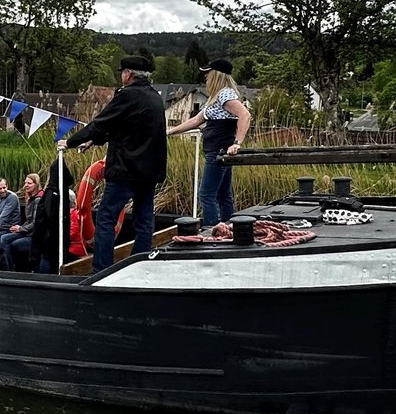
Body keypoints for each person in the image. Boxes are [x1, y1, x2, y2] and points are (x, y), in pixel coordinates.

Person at [60, 54, 168, 271]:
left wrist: (71, 141)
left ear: (128, 74)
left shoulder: (127, 95)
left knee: (106, 219)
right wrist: (95, 141)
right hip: (150, 172)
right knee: (144, 220)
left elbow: (101, 123)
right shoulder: (155, 98)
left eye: (122, 72)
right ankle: (142, 265)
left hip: (125, 170)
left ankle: (101, 269)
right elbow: (124, 127)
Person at [166, 58, 252, 225]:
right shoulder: (215, 98)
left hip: (219, 151)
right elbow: (196, 120)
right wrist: (170, 132)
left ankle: (211, 230)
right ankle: (229, 228)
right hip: (218, 150)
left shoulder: (224, 95)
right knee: (223, 194)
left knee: (206, 194)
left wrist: (237, 142)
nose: (206, 78)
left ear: (216, 75)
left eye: (208, 74)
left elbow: (245, 115)